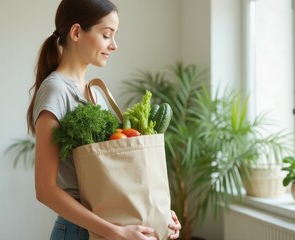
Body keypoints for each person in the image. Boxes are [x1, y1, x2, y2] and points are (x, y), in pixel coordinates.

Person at [26, 0, 181, 239]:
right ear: (76, 32)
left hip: (107, 227)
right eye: (107, 35)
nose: (114, 45)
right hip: (80, 231)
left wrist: (158, 213)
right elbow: (45, 190)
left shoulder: (96, 93)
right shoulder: (56, 90)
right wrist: (114, 231)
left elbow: (113, 177)